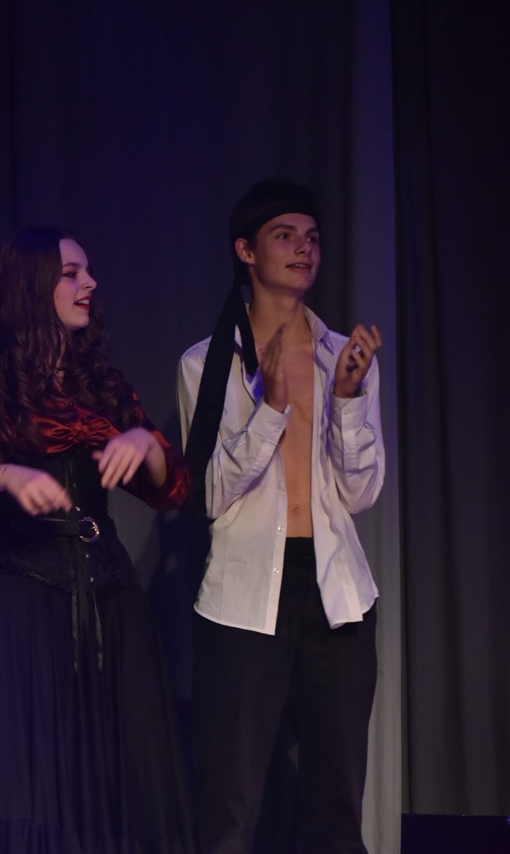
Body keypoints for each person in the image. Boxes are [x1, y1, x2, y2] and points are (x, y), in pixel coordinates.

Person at [0, 226, 196, 852]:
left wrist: (144, 443)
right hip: (25, 594)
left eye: (86, 271)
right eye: (71, 273)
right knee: (35, 781)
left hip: (111, 596)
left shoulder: (103, 385)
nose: (89, 283)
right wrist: (5, 475)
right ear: (32, 286)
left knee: (125, 776)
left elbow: (172, 488)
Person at [177, 179, 384, 853]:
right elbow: (209, 494)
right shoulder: (207, 364)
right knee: (229, 807)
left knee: (336, 807)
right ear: (246, 250)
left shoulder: (341, 355)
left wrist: (347, 400)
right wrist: (269, 407)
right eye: (285, 236)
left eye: (312, 237)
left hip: (335, 593)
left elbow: (361, 494)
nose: (304, 249)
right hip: (244, 598)